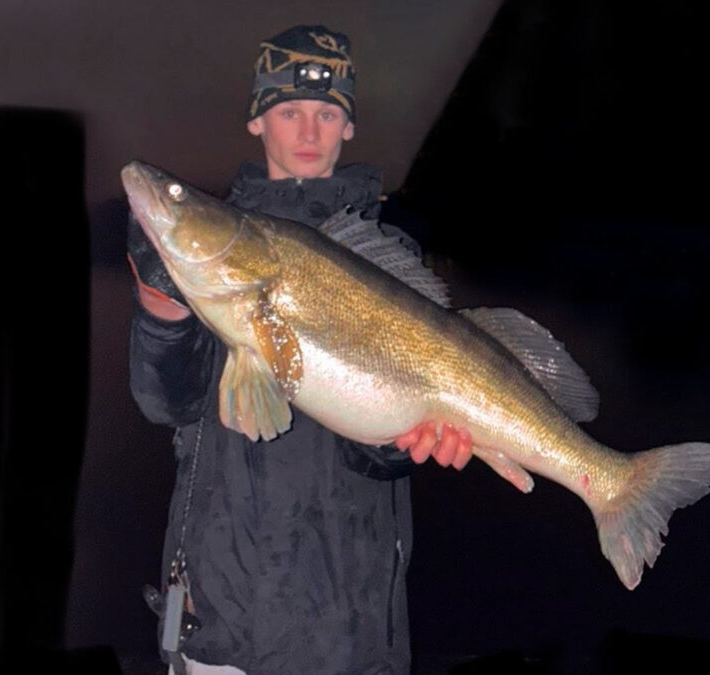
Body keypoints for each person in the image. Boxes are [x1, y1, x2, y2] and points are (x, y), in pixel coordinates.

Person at [127, 25, 472, 674]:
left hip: (351, 633)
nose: (308, 132)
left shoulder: (390, 260)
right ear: (257, 122)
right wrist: (161, 306)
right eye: (289, 111)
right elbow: (164, 400)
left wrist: (404, 441)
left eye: (326, 113)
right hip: (219, 620)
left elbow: (382, 445)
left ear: (348, 127)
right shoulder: (224, 249)